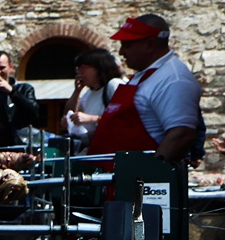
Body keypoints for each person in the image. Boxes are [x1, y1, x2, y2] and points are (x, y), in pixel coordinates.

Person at [88, 14, 202, 162]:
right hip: (118, 176)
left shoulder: (174, 80)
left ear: (150, 44)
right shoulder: (144, 75)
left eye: (127, 45)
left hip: (136, 180)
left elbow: (182, 134)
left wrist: (149, 175)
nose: (121, 52)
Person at [62, 49, 125, 150]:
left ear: (99, 67)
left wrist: (92, 119)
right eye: (77, 68)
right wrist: (77, 92)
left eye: (83, 67)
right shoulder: (89, 93)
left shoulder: (114, 85)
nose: (79, 72)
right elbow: (69, 113)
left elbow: (124, 118)